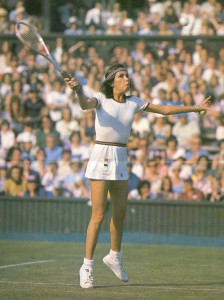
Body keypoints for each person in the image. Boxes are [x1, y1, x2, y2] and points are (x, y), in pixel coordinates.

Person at [65, 62, 212, 289]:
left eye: (127, 76)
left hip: (120, 156)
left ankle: (114, 257)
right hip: (101, 154)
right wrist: (78, 90)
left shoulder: (134, 102)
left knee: (121, 211)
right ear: (112, 81)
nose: (126, 79)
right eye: (121, 76)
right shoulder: (100, 99)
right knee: (99, 215)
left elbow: (164, 110)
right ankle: (86, 267)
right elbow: (85, 104)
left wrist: (194, 108)